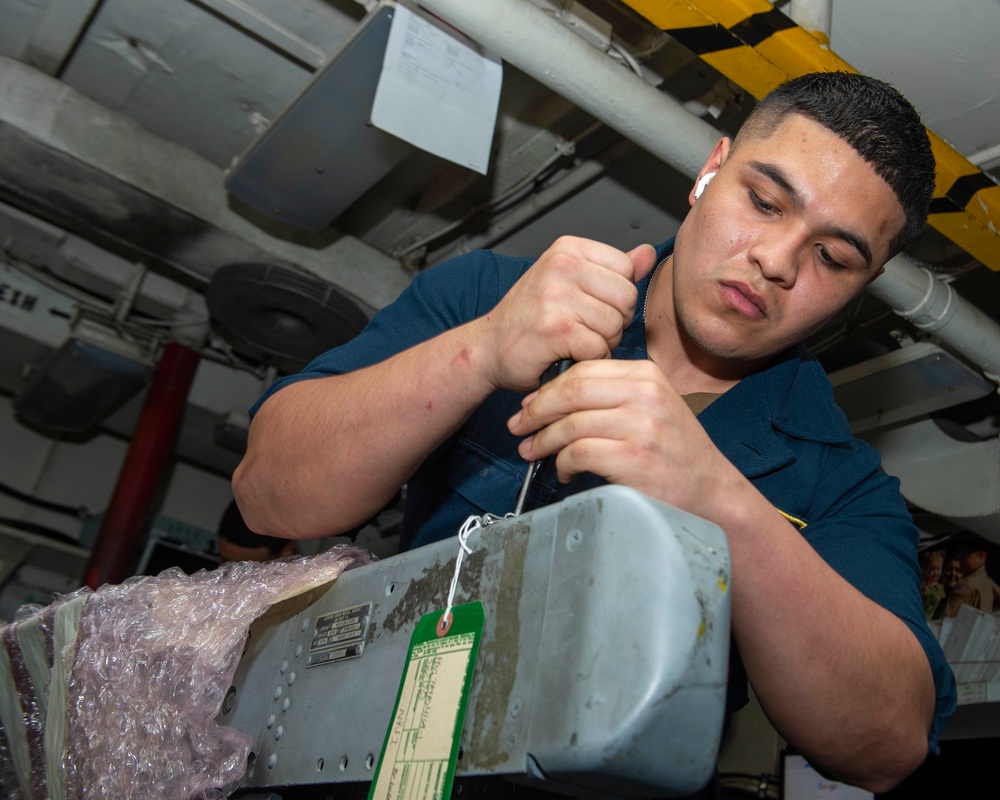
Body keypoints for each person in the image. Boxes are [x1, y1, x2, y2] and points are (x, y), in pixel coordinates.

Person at [233, 72, 956, 793]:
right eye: (763, 202)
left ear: (861, 289)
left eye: (832, 258)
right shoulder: (492, 297)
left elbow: (887, 745)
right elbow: (270, 497)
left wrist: (722, 504)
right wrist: (482, 352)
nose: (776, 260)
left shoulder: (838, 480)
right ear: (710, 172)